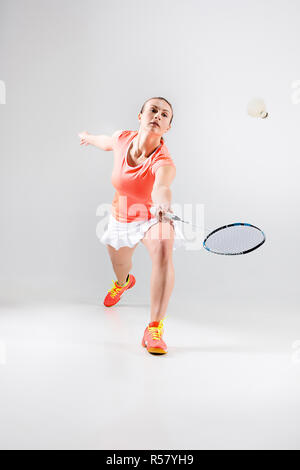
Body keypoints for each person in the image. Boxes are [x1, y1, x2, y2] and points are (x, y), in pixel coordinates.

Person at [78, 97, 185, 355]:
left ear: (168, 127)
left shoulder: (164, 162)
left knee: (163, 247)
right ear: (141, 116)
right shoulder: (123, 139)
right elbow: (106, 142)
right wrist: (89, 137)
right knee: (121, 268)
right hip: (120, 220)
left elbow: (162, 186)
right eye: (153, 110)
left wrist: (162, 205)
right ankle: (123, 282)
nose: (158, 116)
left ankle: (154, 328)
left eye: (165, 115)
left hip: (151, 217)